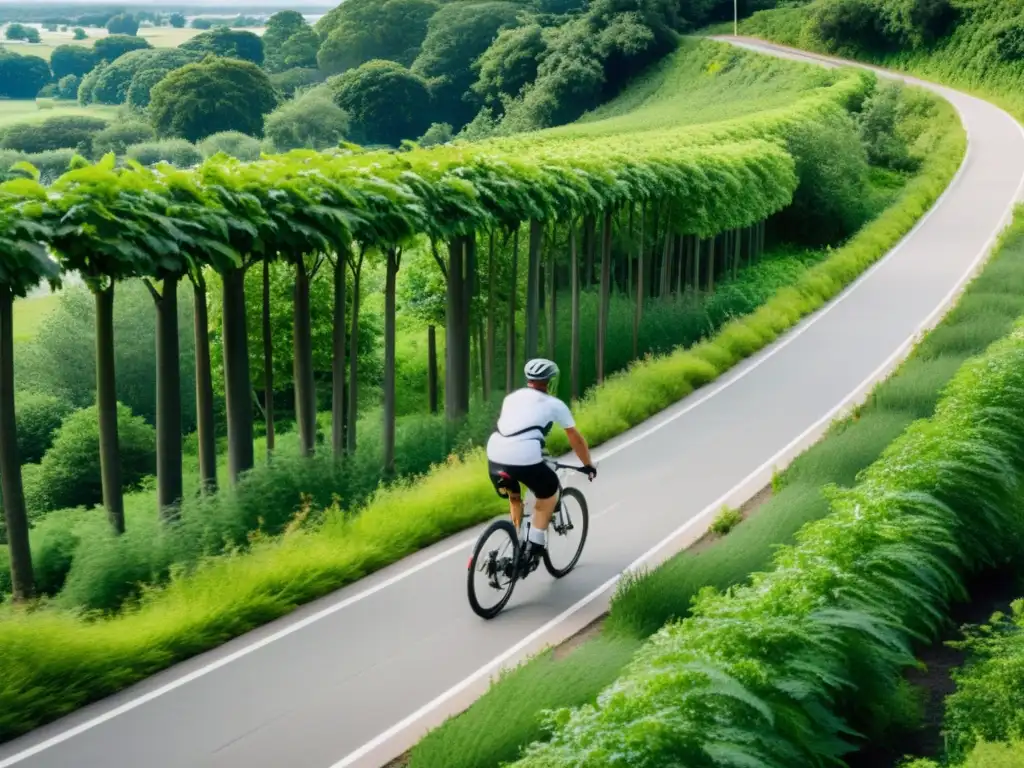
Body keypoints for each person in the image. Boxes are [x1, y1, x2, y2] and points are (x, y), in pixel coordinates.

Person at [486, 358, 597, 569]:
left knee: (515, 495)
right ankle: (534, 546)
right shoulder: (555, 404)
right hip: (525, 455)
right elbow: (576, 439)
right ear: (550, 381)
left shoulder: (512, 398)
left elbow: (518, 429)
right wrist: (588, 464)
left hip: (495, 453)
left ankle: (516, 542)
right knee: (548, 494)